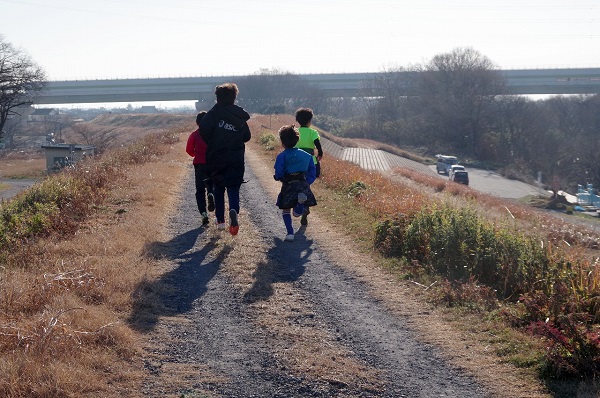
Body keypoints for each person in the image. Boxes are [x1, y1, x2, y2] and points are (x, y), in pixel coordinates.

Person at [199, 83, 251, 235]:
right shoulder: (239, 116)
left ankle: (220, 221)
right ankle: (233, 210)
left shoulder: (213, 114)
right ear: (234, 98)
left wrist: (214, 141)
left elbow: (203, 129)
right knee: (234, 187)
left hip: (217, 157)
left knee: (218, 188)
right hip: (236, 157)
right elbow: (247, 136)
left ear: (217, 97)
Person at [274, 125, 317, 242]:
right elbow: (312, 170)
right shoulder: (307, 155)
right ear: (297, 140)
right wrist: (308, 182)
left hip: (288, 184)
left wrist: (278, 177)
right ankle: (299, 206)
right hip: (302, 183)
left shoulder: (282, 156)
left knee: (286, 209)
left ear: (282, 142)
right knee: (297, 214)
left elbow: (278, 171)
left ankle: (290, 233)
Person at [294, 107, 323, 226]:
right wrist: (320, 154)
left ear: (297, 120)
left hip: (297, 162)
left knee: (300, 184)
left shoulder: (295, 132)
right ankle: (305, 205)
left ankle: (301, 204)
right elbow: (318, 145)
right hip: (311, 162)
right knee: (306, 184)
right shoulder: (313, 132)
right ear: (310, 120)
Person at [186, 111, 215, 225]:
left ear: (197, 123)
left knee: (199, 190)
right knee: (211, 184)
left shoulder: (194, 135)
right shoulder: (214, 134)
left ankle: (203, 213)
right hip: (212, 164)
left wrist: (195, 154)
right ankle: (211, 194)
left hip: (199, 165)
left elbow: (188, 150)